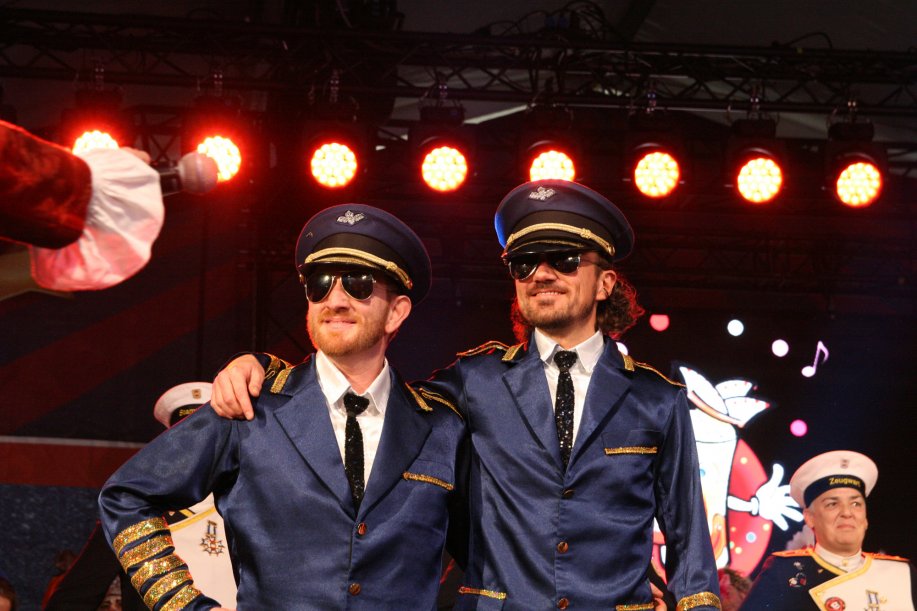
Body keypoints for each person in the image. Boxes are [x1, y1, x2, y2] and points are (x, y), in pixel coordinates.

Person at [212, 180, 721, 610]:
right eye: (524, 263)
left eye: (565, 260)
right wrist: (264, 368)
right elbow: (366, 397)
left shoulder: (658, 398)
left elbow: (690, 550)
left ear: (606, 282)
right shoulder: (474, 380)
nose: (542, 274)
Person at [98, 203, 467, 609]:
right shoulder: (250, 408)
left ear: (396, 312)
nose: (335, 299)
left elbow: (493, 552)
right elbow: (126, 496)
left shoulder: (443, 427)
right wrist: (183, 605)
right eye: (319, 284)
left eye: (358, 283)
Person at [44, 382, 235, 611]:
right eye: (185, 442)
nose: (196, 452)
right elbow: (69, 602)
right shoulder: (132, 513)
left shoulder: (251, 507)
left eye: (208, 440)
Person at [740, 450, 916, 610]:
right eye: (832, 504)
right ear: (810, 517)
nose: (847, 513)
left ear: (865, 518)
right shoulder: (784, 573)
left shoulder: (902, 574)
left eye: (856, 504)